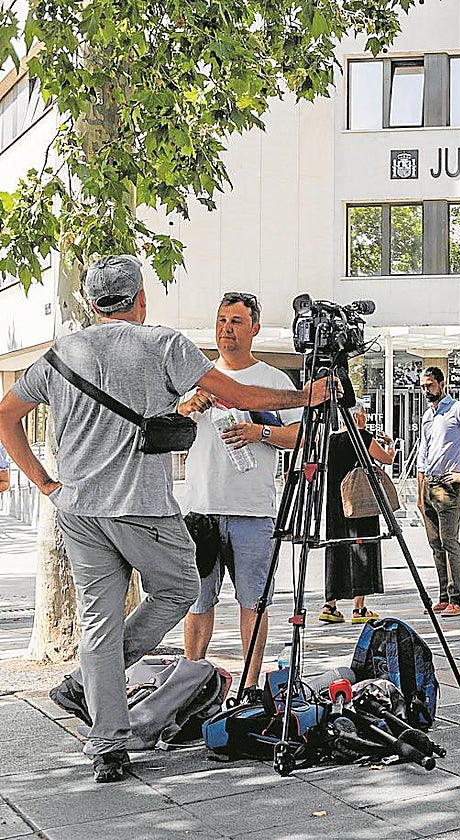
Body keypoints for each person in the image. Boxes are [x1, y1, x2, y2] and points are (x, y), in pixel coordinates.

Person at [0, 256, 333, 783]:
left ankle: (107, 744)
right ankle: (92, 679)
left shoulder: (62, 352)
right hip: (140, 506)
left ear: (90, 303)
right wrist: (305, 397)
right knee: (180, 588)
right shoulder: (161, 342)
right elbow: (239, 396)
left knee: (100, 621)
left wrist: (44, 483)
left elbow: (3, 415)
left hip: (78, 511)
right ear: (140, 300)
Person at [179, 292, 303, 692]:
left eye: (235, 321)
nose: (226, 328)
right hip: (201, 510)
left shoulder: (273, 381)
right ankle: (192, 681)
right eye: (221, 320)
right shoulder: (197, 379)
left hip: (253, 512)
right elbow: (169, 433)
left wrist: (259, 431)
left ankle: (249, 687)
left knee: (253, 603)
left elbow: (304, 437)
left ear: (254, 328)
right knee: (198, 603)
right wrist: (186, 409)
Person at [416, 366, 460, 617]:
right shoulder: (428, 416)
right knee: (435, 544)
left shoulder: (458, 410)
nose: (426, 390)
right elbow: (422, 455)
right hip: (429, 485)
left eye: (430, 385)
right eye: (423, 386)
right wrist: (419, 491)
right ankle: (443, 597)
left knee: (449, 542)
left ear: (441, 384)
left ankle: (456, 598)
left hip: (449, 486)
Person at [319, 402, 396, 624]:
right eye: (363, 415)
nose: (365, 419)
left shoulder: (331, 441)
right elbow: (386, 459)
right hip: (360, 504)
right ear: (356, 418)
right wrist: (390, 446)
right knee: (361, 547)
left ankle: (330, 604)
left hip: (336, 504)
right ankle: (359, 608)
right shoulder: (361, 436)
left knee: (337, 549)